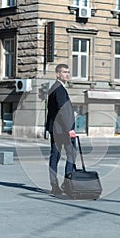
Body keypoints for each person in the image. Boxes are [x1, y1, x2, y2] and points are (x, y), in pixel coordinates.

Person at [45, 64, 77, 195]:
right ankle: (67, 183)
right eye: (64, 72)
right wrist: (69, 128)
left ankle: (54, 185)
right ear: (57, 74)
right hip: (63, 130)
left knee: (55, 156)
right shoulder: (59, 89)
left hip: (55, 129)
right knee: (71, 155)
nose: (67, 75)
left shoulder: (54, 88)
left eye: (68, 72)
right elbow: (62, 111)